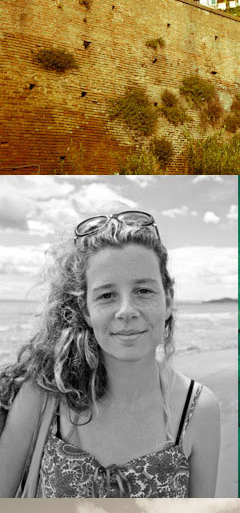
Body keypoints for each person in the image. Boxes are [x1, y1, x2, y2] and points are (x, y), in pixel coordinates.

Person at [0, 205, 221, 497]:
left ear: (167, 301)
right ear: (86, 310)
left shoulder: (199, 409)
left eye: (143, 291)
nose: (126, 311)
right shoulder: (45, 395)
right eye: (106, 295)